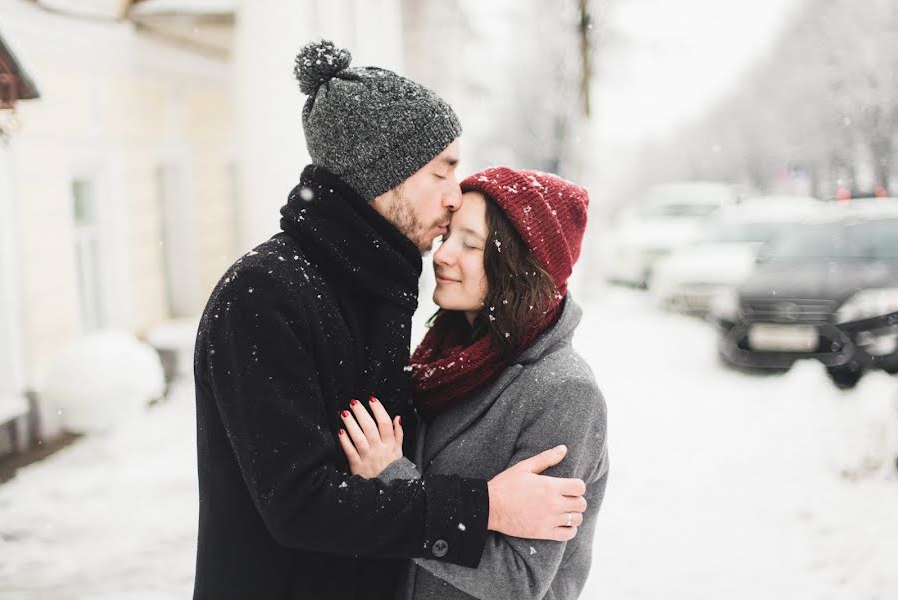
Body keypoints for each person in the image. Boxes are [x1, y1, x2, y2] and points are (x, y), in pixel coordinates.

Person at [192, 40, 587, 600]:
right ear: (383, 174)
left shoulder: (376, 286)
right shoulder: (265, 293)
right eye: (441, 171)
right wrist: (485, 507)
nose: (457, 196)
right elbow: (302, 503)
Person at [338, 167, 609, 599]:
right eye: (448, 238)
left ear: (521, 266)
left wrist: (394, 482)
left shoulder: (562, 392)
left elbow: (518, 581)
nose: (442, 256)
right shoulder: (442, 362)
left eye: (471, 244)